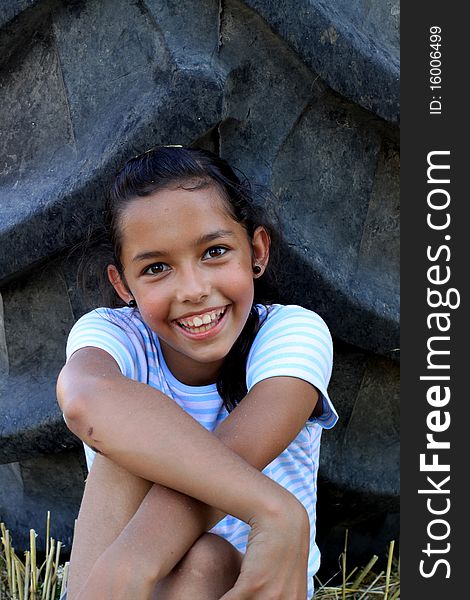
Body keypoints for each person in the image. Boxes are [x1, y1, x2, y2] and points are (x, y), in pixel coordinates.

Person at [56, 146, 338, 600]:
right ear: (123, 285)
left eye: (215, 251)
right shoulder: (112, 334)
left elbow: (235, 454)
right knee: (123, 435)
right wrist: (275, 509)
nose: (193, 290)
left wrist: (129, 567)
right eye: (157, 268)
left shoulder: (291, 332)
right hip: (139, 587)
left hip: (254, 584)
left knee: (206, 560)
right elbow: (84, 399)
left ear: (257, 251)